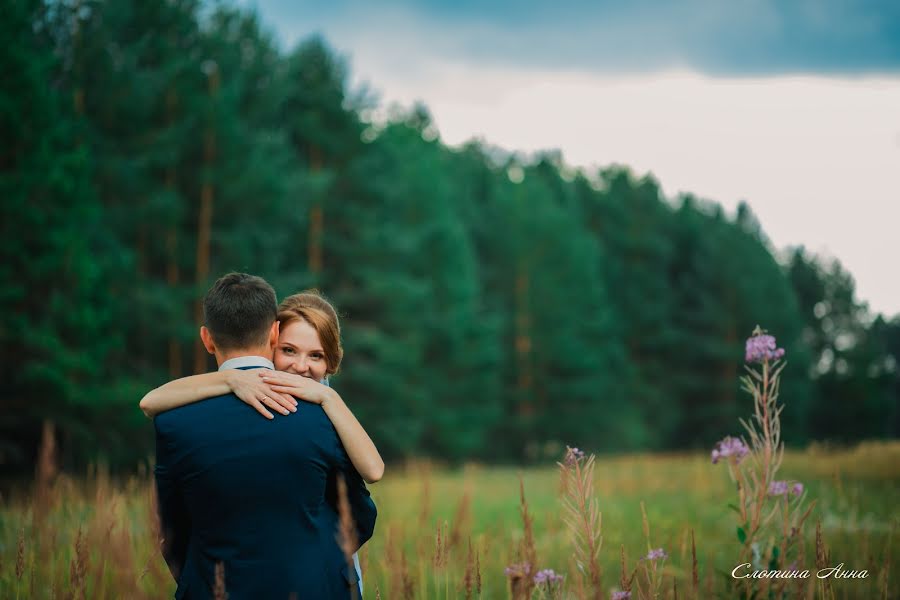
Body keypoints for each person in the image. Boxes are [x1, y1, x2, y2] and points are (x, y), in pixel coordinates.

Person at [151, 273, 376, 599]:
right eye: (290, 350)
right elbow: (359, 511)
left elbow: (171, 527)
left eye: (316, 355)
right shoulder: (316, 420)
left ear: (207, 338)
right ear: (274, 334)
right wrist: (316, 561)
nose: (301, 366)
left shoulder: (173, 421)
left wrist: (203, 575)